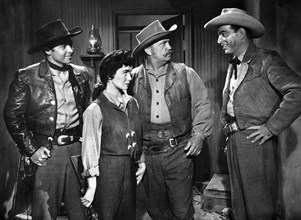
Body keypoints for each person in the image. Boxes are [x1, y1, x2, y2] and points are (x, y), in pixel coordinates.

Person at [204, 8, 301, 220]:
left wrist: (271, 127)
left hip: (256, 142)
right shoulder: (234, 65)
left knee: (259, 206)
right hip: (234, 141)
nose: (219, 40)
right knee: (240, 204)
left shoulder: (266, 60)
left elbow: (297, 91)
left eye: (224, 33)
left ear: (241, 33)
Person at [3, 19, 92, 220]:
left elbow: (89, 112)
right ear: (48, 51)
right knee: (44, 214)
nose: (70, 50)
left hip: (77, 152)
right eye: (63, 46)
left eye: (71, 45)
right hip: (47, 154)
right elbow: (12, 116)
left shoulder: (82, 74)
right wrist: (32, 149)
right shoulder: (27, 77)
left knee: (81, 213)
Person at [130, 20, 213, 220]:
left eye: (169, 42)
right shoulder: (132, 78)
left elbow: (203, 105)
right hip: (147, 154)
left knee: (182, 211)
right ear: (149, 50)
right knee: (157, 211)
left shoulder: (185, 73)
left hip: (179, 152)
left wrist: (199, 135)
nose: (170, 47)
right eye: (163, 43)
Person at [80, 49, 146, 220]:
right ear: (110, 75)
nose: (129, 78)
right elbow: (90, 149)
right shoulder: (95, 110)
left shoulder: (132, 103)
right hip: (107, 174)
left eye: (130, 72)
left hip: (130, 172)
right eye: (124, 73)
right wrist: (91, 186)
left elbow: (138, 135)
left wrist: (141, 162)